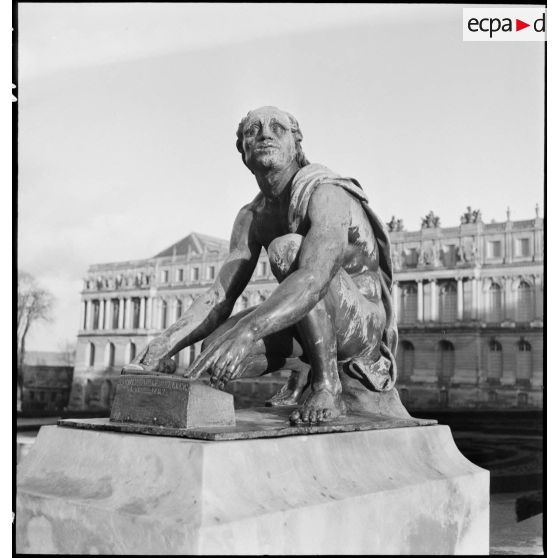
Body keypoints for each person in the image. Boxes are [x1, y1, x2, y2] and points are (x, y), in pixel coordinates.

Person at [125, 106, 398, 423]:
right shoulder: (250, 216)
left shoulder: (326, 192)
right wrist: (166, 344)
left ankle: (327, 385)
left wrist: (248, 331)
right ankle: (302, 366)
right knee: (214, 351)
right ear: (243, 151)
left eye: (277, 128)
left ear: (296, 144)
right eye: (252, 130)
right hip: (303, 317)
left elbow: (315, 277)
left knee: (288, 249)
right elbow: (220, 296)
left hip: (361, 324)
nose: (265, 134)